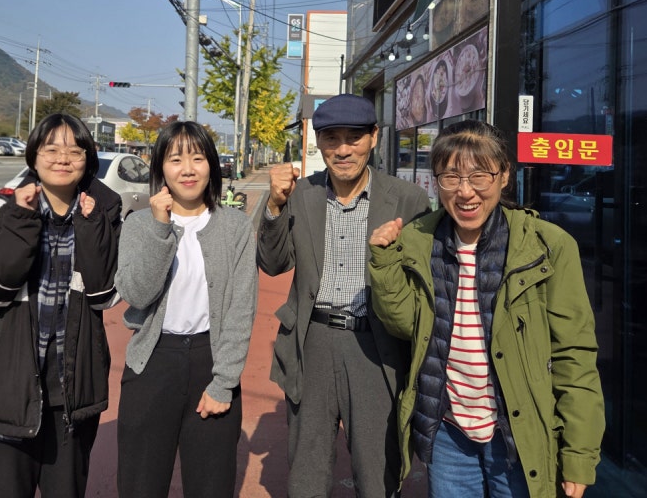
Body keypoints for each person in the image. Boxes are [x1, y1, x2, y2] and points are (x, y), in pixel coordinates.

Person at [368, 120, 605, 498]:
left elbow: (573, 355)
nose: (465, 192)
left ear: (504, 175)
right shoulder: (419, 239)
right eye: (451, 177)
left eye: (479, 175)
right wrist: (382, 263)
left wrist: (579, 454)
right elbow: (405, 324)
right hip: (448, 431)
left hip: (518, 432)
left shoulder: (547, 245)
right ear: (436, 181)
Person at [257, 93, 431, 497]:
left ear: (374, 138)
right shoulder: (302, 194)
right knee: (307, 467)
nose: (343, 149)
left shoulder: (407, 199)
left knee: (378, 469)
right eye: (331, 138)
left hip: (376, 344)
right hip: (311, 341)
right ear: (319, 143)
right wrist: (274, 207)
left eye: (354, 137)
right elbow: (273, 263)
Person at [0, 113, 122, 497]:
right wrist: (21, 220)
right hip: (9, 388)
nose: (63, 158)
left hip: (73, 390)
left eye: (75, 149)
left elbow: (105, 295)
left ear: (88, 158)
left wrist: (90, 227)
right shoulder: (5, 209)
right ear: (34, 157)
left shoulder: (103, 211)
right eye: (51, 149)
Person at [116, 120, 257, 498]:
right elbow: (137, 293)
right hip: (152, 363)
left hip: (210, 362)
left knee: (210, 485)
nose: (188, 169)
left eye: (197, 157)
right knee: (140, 484)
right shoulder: (140, 224)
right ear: (160, 167)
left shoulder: (235, 228)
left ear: (212, 164)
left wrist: (224, 382)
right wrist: (161, 229)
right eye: (175, 159)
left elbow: (241, 309)